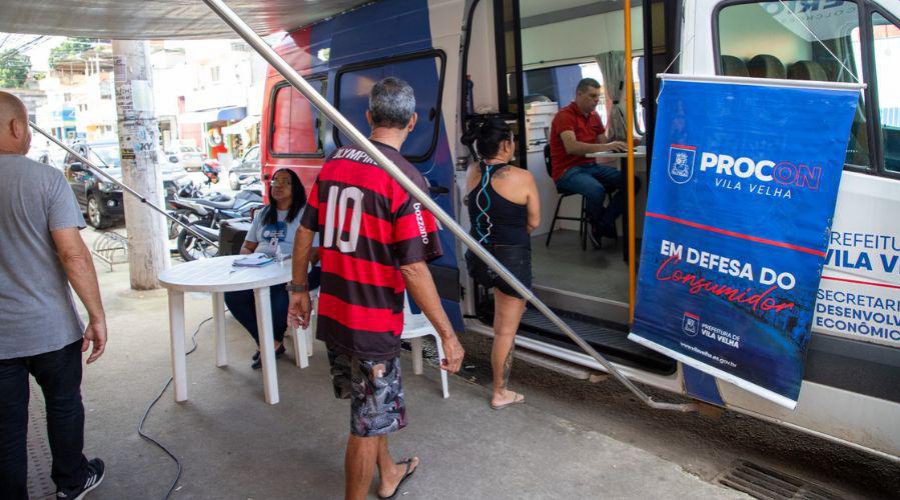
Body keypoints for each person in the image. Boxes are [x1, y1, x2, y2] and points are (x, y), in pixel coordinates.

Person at [287, 77, 464, 500]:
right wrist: (448, 334)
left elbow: (305, 231)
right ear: (413, 121)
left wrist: (298, 289)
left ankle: (389, 474)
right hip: (371, 325)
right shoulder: (405, 180)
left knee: (371, 409)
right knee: (366, 424)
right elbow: (414, 269)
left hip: (335, 313)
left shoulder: (336, 162)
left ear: (369, 117)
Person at [0, 91, 107, 499]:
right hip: (51, 327)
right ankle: (71, 481)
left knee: (6, 428)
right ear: (17, 127)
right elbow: (72, 254)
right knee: (63, 405)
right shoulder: (46, 179)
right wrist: (96, 316)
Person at [461, 117, 539, 410]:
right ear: (506, 144)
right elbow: (534, 221)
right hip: (511, 261)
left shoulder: (472, 171)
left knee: (502, 314)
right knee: (505, 331)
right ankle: (500, 392)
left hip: (479, 259)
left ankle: (512, 304)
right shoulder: (522, 177)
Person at [224, 168, 319, 370]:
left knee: (278, 297)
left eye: (285, 182)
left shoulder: (306, 213)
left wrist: (294, 266)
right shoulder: (264, 213)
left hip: (297, 271)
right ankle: (269, 343)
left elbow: (316, 251)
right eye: (275, 181)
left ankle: (269, 344)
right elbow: (248, 246)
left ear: (296, 188)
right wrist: (247, 262)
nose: (278, 185)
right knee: (233, 296)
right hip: (262, 269)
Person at [549, 77, 640, 247]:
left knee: (632, 182)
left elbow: (603, 142)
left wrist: (623, 143)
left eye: (598, 96)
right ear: (579, 94)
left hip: (590, 167)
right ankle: (600, 224)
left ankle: (602, 223)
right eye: (592, 96)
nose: (596, 100)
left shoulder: (594, 116)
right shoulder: (564, 116)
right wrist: (607, 145)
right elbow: (571, 147)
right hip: (567, 171)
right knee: (596, 190)